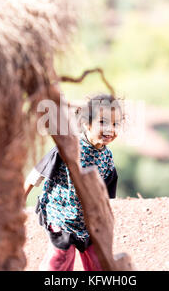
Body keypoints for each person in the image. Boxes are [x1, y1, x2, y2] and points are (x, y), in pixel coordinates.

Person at [24, 93, 124, 271]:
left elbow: (106, 194)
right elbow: (36, 174)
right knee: (61, 258)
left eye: (115, 124)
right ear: (86, 123)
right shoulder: (70, 148)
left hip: (87, 222)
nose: (110, 129)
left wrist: (104, 221)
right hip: (60, 216)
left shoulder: (107, 157)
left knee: (98, 261)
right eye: (103, 122)